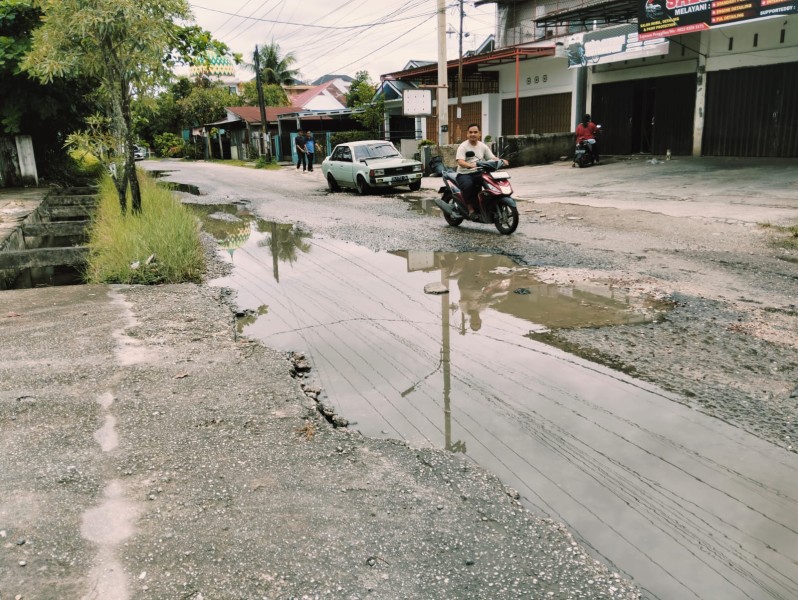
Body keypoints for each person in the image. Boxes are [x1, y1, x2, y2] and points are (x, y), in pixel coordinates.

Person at [455, 123, 508, 219]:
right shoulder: (463, 146)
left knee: (491, 183)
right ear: (467, 134)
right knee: (468, 186)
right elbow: (460, 161)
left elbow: (491, 157)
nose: (473, 134)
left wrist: (501, 160)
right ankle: (470, 209)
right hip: (464, 174)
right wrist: (470, 165)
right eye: (470, 132)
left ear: (479, 134)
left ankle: (489, 205)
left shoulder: (483, 146)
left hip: (478, 172)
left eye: (475, 132)